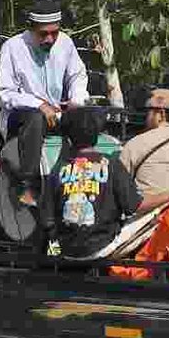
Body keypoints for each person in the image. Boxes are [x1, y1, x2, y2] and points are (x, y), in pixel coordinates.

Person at [0, 0, 90, 208]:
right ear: (31, 28)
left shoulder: (65, 43)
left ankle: (86, 179)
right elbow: (4, 93)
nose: (50, 39)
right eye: (43, 34)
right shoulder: (12, 47)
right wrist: (38, 104)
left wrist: (76, 100)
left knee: (91, 116)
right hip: (21, 118)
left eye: (54, 33)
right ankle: (28, 185)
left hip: (55, 113)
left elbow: (78, 75)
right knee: (35, 118)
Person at [44, 106, 141, 258]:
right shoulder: (112, 165)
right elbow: (132, 206)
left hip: (67, 251)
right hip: (103, 249)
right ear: (97, 136)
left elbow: (48, 219)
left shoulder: (58, 169)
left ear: (68, 140)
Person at [119, 89, 169, 213]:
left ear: (161, 114)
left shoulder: (136, 144)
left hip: (143, 228)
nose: (146, 117)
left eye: (149, 112)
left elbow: (118, 192)